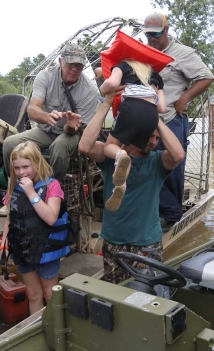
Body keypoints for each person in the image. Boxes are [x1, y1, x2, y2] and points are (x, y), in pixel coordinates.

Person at [79, 90, 185, 284]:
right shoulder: (112, 157)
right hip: (113, 241)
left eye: (156, 138)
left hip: (147, 242)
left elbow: (178, 155)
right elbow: (85, 146)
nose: (153, 142)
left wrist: (152, 116)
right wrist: (107, 103)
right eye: (149, 136)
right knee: (116, 295)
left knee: (145, 296)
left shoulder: (157, 162)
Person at [0, 43, 98, 216]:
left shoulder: (89, 89)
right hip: (46, 130)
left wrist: (69, 125)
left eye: (79, 65)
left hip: (71, 134)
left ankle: (51, 193)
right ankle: (14, 191)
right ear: (60, 61)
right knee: (10, 143)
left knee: (59, 147)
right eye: (70, 64)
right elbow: (32, 109)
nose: (74, 69)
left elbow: (76, 130)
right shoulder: (45, 76)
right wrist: (47, 117)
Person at [143, 12, 214, 228]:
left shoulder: (182, 53)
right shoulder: (145, 52)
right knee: (146, 164)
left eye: (156, 34)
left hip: (171, 119)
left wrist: (184, 99)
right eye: (148, 35)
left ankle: (171, 215)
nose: (152, 39)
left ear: (166, 30)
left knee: (171, 166)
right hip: (147, 120)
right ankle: (153, 211)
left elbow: (207, 77)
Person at [1, 141, 70, 314]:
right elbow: (10, 218)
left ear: (37, 164)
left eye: (25, 166)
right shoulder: (14, 188)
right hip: (23, 249)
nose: (21, 172)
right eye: (16, 168)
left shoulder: (52, 185)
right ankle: (37, 332)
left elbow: (51, 218)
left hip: (46, 249)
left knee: (50, 294)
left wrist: (31, 193)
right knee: (33, 294)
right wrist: (4, 246)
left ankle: (57, 334)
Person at [99, 59, 166, 211]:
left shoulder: (123, 65)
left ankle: (120, 154)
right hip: (151, 117)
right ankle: (121, 185)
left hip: (131, 109)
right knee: (127, 152)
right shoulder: (156, 76)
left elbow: (111, 84)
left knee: (110, 147)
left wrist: (103, 89)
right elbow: (161, 107)